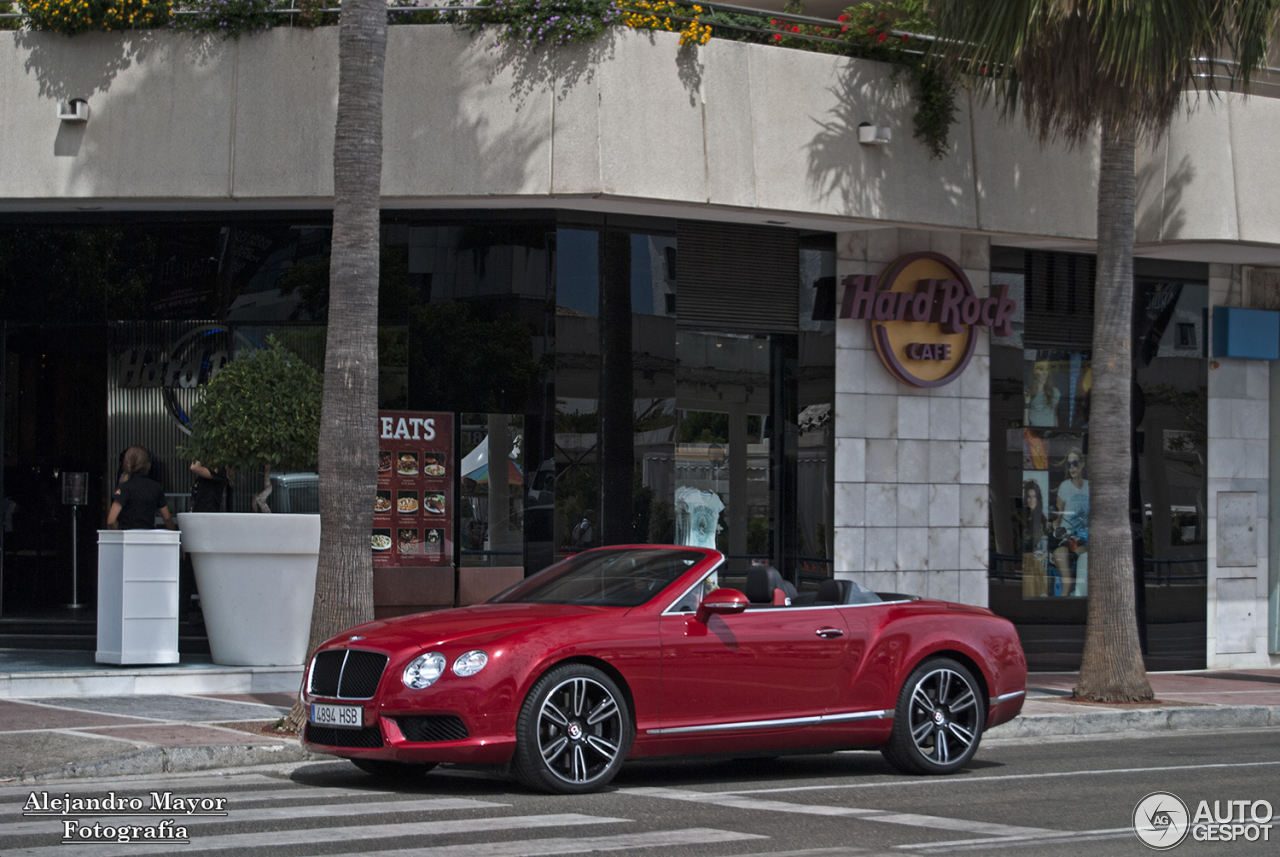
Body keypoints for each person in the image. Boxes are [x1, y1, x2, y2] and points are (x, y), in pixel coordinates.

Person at [107, 446, 177, 531]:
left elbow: (111, 521)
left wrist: (117, 537)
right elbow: (167, 518)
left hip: (128, 539)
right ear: (147, 465)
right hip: (149, 539)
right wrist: (176, 537)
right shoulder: (156, 487)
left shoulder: (124, 487)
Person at [1051, 448, 1089, 597]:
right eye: (1069, 465)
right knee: (1067, 585)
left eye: (1075, 463)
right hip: (1069, 537)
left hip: (1086, 536)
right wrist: (1060, 533)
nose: (1072, 467)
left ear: (1082, 464)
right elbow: (1057, 520)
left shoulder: (1089, 486)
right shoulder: (1065, 486)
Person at [1021, 480, 1050, 598]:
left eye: (1034, 496)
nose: (1031, 499)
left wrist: (1042, 556)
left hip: (1034, 563)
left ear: (1038, 498)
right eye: (1028, 496)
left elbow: (1052, 544)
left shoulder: (1042, 520)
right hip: (1022, 562)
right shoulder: (1022, 517)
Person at [1024, 361, 1061, 427]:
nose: (1044, 373)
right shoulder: (1028, 393)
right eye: (1041, 369)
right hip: (1034, 434)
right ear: (1035, 372)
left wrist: (1056, 432)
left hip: (1049, 433)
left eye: (1046, 369)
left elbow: (1055, 415)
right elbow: (1025, 422)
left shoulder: (1054, 392)